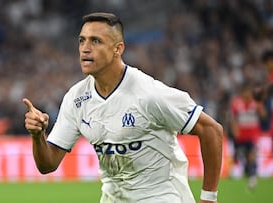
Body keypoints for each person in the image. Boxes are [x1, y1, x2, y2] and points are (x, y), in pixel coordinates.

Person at [23, 12, 223, 203]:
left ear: (118, 49)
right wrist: (38, 135)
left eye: (96, 41)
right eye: (82, 40)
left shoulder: (149, 94)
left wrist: (209, 197)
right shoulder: (76, 99)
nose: (85, 48)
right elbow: (47, 164)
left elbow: (211, 130)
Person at [229, 82, 265, 189]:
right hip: (240, 136)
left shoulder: (256, 103)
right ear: (242, 93)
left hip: (253, 135)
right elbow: (233, 119)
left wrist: (260, 108)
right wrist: (235, 131)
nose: (248, 94)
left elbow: (263, 116)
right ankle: (244, 171)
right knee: (240, 156)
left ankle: (252, 177)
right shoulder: (236, 103)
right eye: (246, 92)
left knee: (252, 155)